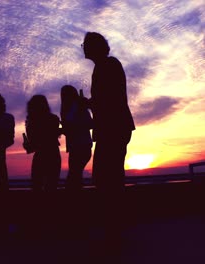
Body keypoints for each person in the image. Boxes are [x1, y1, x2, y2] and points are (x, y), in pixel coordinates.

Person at [81, 32, 135, 251]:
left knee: (108, 179)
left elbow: (109, 100)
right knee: (108, 178)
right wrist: (90, 103)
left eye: (85, 44)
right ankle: (113, 230)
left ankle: (114, 233)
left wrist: (90, 103)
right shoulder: (105, 66)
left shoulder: (108, 65)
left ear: (95, 47)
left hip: (113, 129)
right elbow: (106, 99)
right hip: (112, 129)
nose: (83, 48)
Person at [23, 95, 61, 192]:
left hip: (40, 156)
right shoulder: (54, 119)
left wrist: (26, 145)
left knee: (37, 187)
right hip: (54, 155)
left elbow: (32, 147)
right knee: (51, 187)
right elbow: (52, 137)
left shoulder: (30, 122)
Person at [60, 85, 93, 191]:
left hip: (79, 145)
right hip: (81, 144)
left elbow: (90, 124)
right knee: (75, 174)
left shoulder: (74, 108)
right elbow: (90, 124)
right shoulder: (76, 107)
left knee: (74, 174)